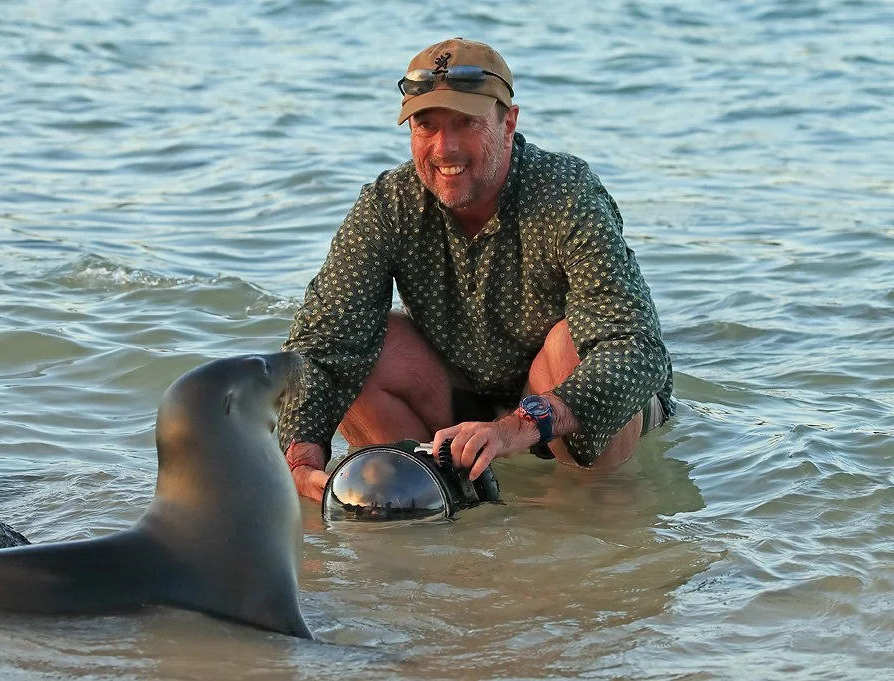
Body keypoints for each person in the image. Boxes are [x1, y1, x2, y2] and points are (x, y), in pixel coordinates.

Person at [278, 38, 674, 504]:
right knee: (365, 344)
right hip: (459, 401)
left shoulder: (567, 194)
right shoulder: (387, 204)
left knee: (571, 344)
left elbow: (634, 348)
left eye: (466, 123)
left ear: (509, 122)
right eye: (426, 125)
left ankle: (584, 521)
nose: (444, 149)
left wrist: (517, 427)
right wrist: (302, 458)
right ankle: (437, 501)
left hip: (565, 405)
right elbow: (321, 347)